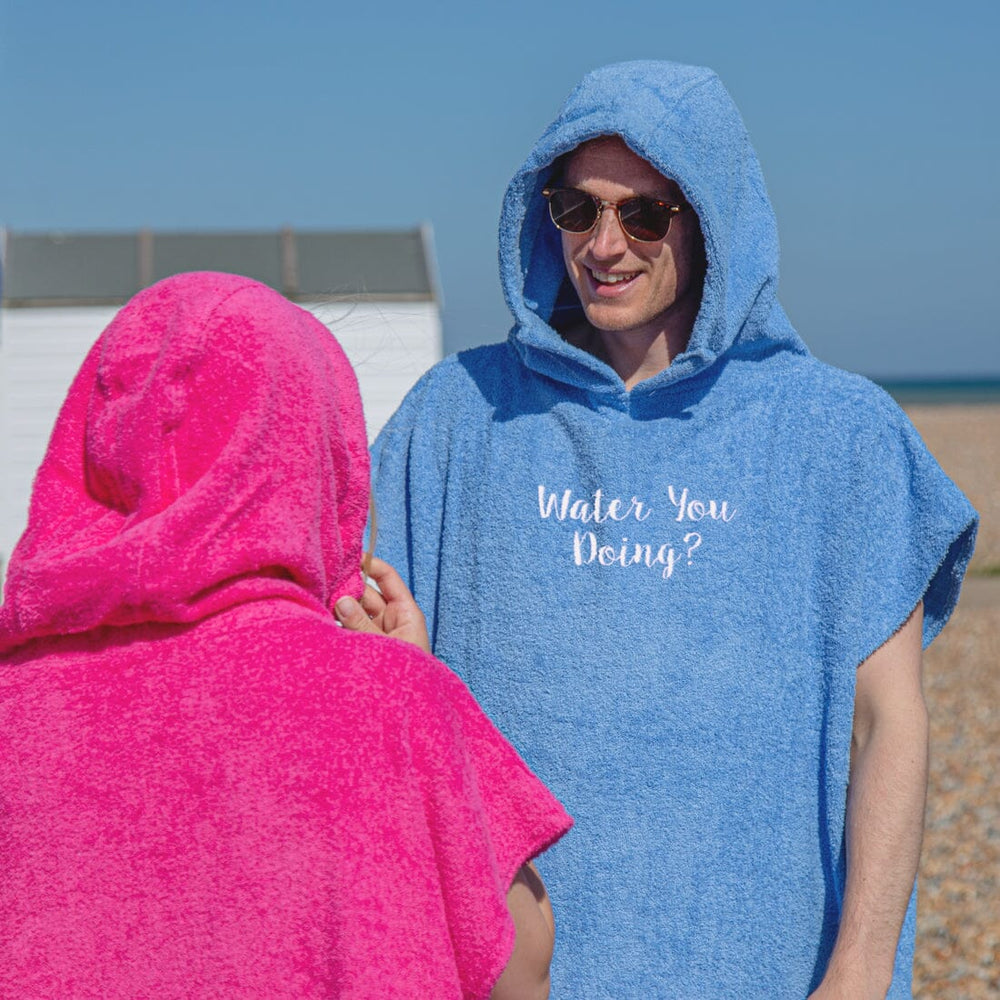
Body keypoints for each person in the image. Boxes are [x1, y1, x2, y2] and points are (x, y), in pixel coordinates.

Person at [344, 62, 978, 998]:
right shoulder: (456, 418)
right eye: (576, 209)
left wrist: (859, 968)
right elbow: (372, 678)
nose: (606, 245)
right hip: (502, 967)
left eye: (645, 214)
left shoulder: (837, 434)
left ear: (716, 218)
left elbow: (890, 722)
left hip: (766, 961)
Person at [0, 271, 571, 998]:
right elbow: (520, 961)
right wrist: (422, 712)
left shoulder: (13, 708)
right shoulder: (393, 699)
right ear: (315, 456)